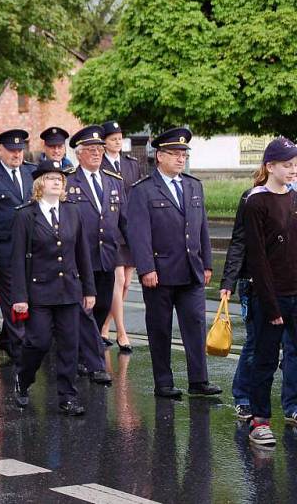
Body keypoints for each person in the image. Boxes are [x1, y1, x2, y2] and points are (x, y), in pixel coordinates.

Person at [127, 127, 221, 399]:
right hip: (160, 272)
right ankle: (164, 382)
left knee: (195, 325)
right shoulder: (143, 190)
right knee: (160, 328)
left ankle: (199, 380)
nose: (181, 159)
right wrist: (146, 268)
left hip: (191, 270)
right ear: (160, 156)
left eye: (184, 154)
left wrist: (207, 263)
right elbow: (139, 233)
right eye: (176, 154)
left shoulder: (193, 185)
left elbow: (202, 227)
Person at [10, 159, 96, 415]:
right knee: (38, 342)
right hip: (39, 291)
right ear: (39, 184)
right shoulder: (26, 215)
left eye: (60, 178)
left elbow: (83, 254)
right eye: (51, 178)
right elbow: (16, 259)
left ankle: (67, 396)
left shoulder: (72, 212)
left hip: (69, 289)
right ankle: (23, 379)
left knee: (70, 343)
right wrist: (19, 296)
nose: (57, 181)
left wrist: (89, 289)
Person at [220, 174, 297, 422]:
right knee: (257, 345)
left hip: (288, 286)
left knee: (292, 347)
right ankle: (244, 398)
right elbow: (241, 242)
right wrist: (228, 281)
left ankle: (292, 405)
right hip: (256, 283)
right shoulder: (254, 198)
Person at [242, 137, 297, 447]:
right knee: (264, 359)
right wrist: (271, 305)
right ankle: (259, 419)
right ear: (270, 166)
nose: (292, 171)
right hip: (270, 297)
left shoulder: (295, 198)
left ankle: (294, 406)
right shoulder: (256, 202)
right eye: (287, 165)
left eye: (295, 165)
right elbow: (258, 260)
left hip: (296, 292)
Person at [67, 125, 127, 385]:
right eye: (90, 150)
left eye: (99, 149)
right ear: (78, 154)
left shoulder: (114, 181)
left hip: (106, 256)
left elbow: (124, 221)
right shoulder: (69, 181)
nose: (96, 154)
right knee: (84, 309)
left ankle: (81, 352)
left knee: (102, 306)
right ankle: (95, 363)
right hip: (79, 259)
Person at [0, 129, 37, 356]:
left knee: (30, 296)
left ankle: (8, 337)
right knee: (13, 299)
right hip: (5, 250)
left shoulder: (32, 173)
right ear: (0, 150)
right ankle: (19, 347)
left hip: (32, 250)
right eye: (12, 150)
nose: (17, 155)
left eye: (20, 150)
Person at [100, 120, 140, 350]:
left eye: (120, 138)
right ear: (104, 142)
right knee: (119, 280)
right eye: (113, 138)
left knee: (126, 284)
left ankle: (105, 325)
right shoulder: (100, 162)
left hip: (130, 227)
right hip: (112, 228)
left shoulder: (130, 163)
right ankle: (121, 332)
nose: (118, 142)